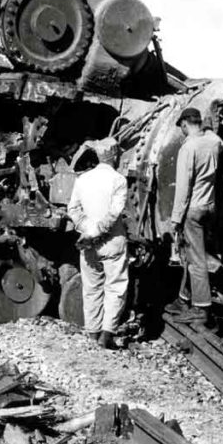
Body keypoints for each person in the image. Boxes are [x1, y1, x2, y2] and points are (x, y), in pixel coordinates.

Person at [67, 137, 129, 350]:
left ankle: (92, 334)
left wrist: (87, 230)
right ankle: (106, 335)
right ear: (114, 156)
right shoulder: (119, 180)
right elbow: (114, 213)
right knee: (115, 288)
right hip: (112, 242)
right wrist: (98, 231)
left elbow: (73, 209)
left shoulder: (82, 179)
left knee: (91, 288)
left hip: (87, 243)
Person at [168, 107, 223, 325]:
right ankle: (183, 298)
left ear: (184, 124)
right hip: (210, 207)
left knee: (196, 260)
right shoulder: (214, 141)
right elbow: (220, 141)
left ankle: (201, 308)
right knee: (193, 255)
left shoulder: (188, 148)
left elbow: (183, 187)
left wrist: (175, 218)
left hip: (193, 210)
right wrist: (208, 128)